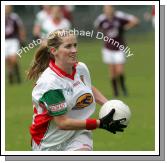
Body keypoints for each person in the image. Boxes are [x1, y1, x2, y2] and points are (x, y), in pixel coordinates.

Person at [27, 29, 126, 151]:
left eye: (75, 45)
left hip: (78, 134)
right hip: (48, 143)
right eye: (68, 46)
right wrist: (99, 123)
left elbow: (87, 88)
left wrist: (110, 105)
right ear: (54, 51)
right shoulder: (50, 83)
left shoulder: (80, 68)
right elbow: (62, 123)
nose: (74, 50)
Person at [94, 5, 139, 97]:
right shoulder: (102, 19)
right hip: (108, 49)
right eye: (106, 9)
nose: (108, 10)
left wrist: (125, 27)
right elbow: (97, 27)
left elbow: (135, 21)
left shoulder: (119, 16)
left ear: (113, 8)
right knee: (112, 72)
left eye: (109, 8)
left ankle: (123, 89)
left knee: (120, 71)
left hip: (119, 47)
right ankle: (116, 92)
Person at [5, 5, 26, 84]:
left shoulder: (15, 17)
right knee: (7, 60)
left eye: (8, 7)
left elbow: (20, 27)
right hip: (4, 41)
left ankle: (17, 76)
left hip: (13, 40)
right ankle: (10, 75)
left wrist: (22, 38)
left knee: (13, 58)